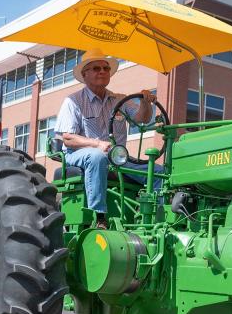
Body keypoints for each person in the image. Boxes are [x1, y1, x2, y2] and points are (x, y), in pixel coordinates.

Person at [54, 48, 159, 229]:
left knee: (157, 172)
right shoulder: (73, 101)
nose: (102, 71)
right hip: (77, 154)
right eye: (96, 68)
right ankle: (99, 216)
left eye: (106, 68)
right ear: (85, 74)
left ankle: (156, 220)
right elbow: (68, 139)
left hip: (116, 158)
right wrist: (96, 143)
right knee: (97, 157)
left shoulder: (119, 100)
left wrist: (145, 102)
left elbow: (142, 118)